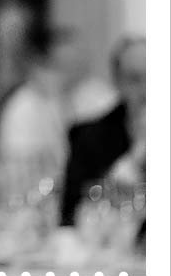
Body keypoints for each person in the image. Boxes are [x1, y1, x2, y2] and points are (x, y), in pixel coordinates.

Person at [60, 36, 146, 227]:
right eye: (135, 79)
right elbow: (71, 214)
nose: (146, 89)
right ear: (118, 83)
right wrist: (135, 157)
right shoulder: (89, 137)